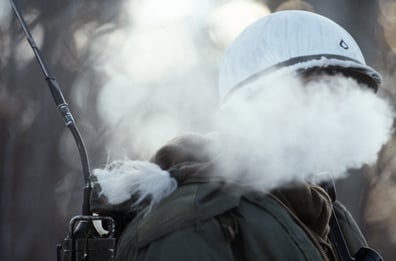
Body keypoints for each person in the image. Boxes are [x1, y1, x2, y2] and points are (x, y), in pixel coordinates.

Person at [90, 10, 389, 260]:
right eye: (318, 89)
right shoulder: (193, 223)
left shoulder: (330, 217)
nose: (335, 110)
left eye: (345, 94)